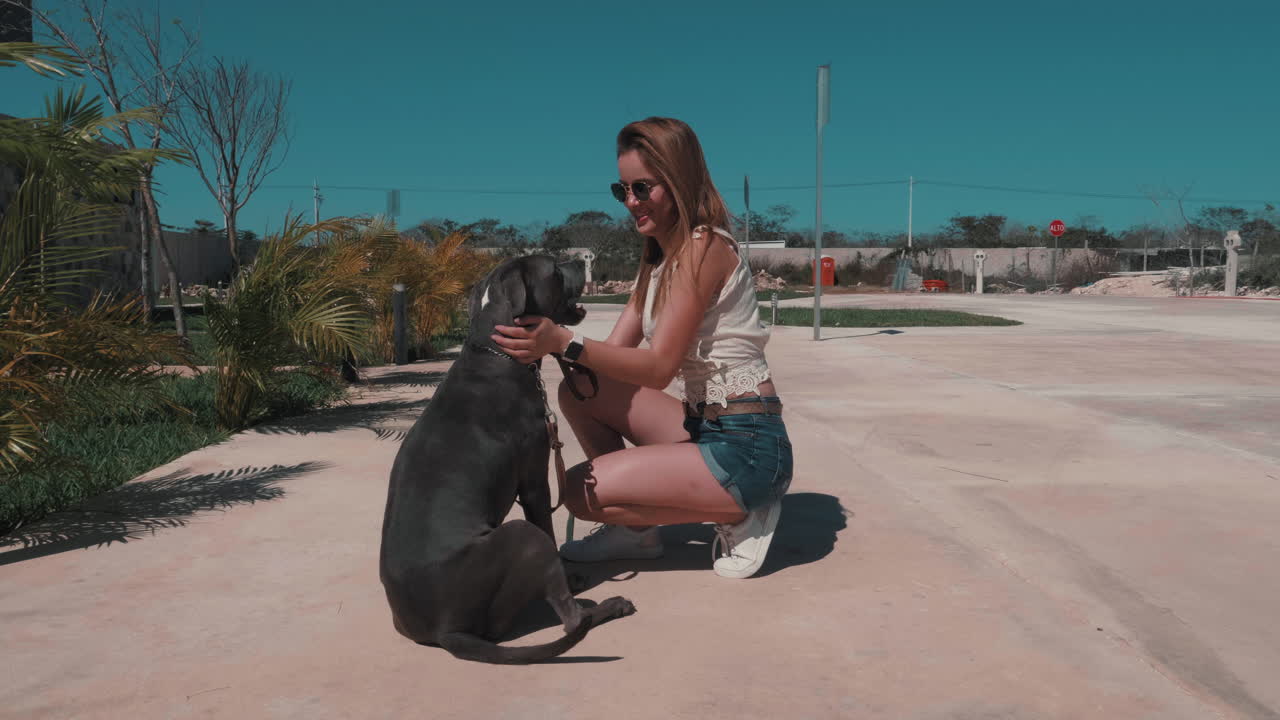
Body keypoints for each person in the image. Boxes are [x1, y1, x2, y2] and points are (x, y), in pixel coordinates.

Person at [492, 117, 793, 579]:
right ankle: (637, 533)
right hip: (703, 426)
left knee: (579, 493)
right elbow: (605, 361)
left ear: (677, 181)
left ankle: (743, 511)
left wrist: (563, 340)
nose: (631, 202)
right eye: (621, 190)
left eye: (642, 188)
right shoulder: (658, 258)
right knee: (580, 390)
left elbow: (656, 369)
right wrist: (545, 339)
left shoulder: (705, 247)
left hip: (748, 443)